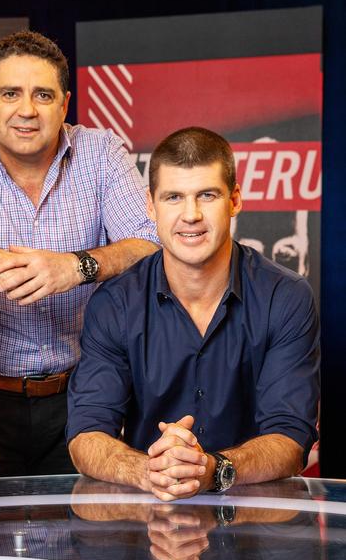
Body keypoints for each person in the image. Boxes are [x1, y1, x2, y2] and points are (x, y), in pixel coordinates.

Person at [0, 30, 159, 477]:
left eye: (43, 95)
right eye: (11, 93)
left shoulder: (101, 154)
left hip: (84, 399)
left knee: (88, 540)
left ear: (64, 104)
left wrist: (76, 266)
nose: (27, 110)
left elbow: (150, 246)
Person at [67, 126, 320, 501]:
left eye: (207, 195)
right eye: (173, 197)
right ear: (150, 207)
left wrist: (211, 470)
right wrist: (148, 471)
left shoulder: (285, 297)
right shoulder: (115, 303)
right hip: (149, 521)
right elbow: (86, 434)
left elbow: (291, 437)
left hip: (257, 523)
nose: (191, 214)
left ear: (234, 201)